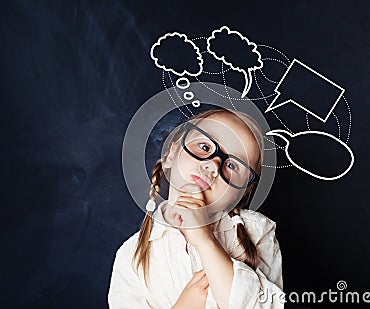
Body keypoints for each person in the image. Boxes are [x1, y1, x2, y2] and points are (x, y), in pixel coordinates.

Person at [108, 109, 284, 308]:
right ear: (171, 154)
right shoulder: (131, 256)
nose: (213, 165)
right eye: (204, 146)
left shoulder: (258, 231)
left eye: (233, 165)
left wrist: (205, 240)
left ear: (240, 194)